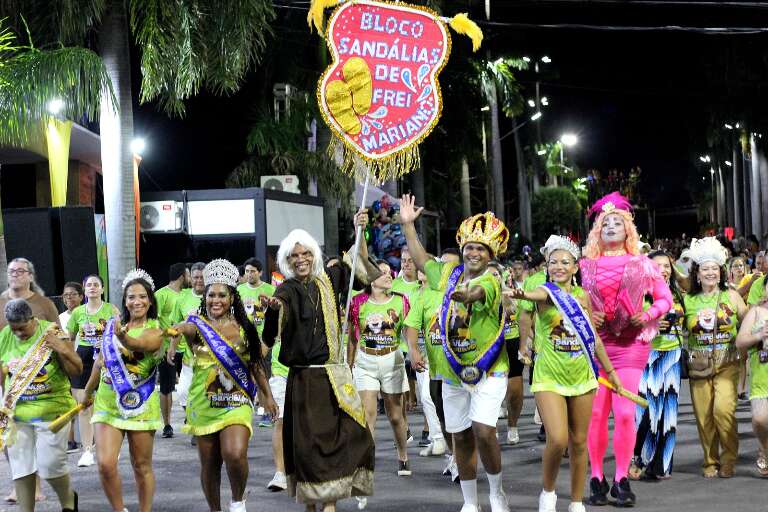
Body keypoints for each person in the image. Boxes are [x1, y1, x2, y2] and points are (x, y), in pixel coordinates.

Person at [399, 194, 511, 512]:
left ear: (490, 254)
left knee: (484, 431)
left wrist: (466, 294)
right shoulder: (449, 273)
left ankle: (497, 492)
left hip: (489, 371)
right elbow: (422, 261)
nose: (474, 252)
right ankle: (470, 502)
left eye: (480, 248)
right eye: (470, 247)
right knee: (460, 437)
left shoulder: (492, 278)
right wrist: (408, 225)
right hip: (452, 372)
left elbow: (477, 292)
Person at [262, 213, 377, 512]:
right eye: (294, 255)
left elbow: (361, 272)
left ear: (314, 254)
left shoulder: (331, 278)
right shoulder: (286, 289)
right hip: (304, 381)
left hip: (335, 377)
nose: (301, 259)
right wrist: (275, 309)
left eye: (306, 253)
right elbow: (276, 319)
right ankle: (316, 505)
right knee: (310, 448)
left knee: (353, 436)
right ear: (287, 260)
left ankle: (331, 502)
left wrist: (359, 231)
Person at [507, 236, 621, 512]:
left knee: (580, 442)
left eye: (564, 262)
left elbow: (593, 337)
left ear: (574, 268)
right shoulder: (545, 292)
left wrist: (610, 371)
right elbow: (535, 297)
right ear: (547, 266)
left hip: (582, 376)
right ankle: (548, 493)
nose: (558, 266)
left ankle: (577, 501)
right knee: (557, 438)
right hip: (548, 376)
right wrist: (521, 294)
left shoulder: (582, 296)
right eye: (553, 262)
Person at [580, 192, 672, 507]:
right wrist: (585, 312)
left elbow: (665, 300)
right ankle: (596, 477)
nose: (611, 227)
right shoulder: (585, 266)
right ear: (597, 230)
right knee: (595, 414)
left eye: (617, 222)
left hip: (630, 347)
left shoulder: (642, 263)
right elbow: (571, 302)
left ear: (628, 229)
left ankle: (620, 478)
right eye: (606, 222)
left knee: (623, 414)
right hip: (596, 346)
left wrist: (645, 315)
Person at [170, 259, 276, 512]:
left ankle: (238, 501)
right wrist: (173, 337)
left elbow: (255, 364)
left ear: (232, 298)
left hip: (236, 401)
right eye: (211, 295)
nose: (215, 300)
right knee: (210, 463)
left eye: (221, 295)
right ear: (203, 297)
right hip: (203, 402)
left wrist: (267, 395)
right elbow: (180, 328)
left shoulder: (245, 328)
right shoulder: (196, 325)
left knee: (235, 453)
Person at [80, 269, 164, 512]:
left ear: (150, 300)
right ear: (124, 301)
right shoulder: (113, 327)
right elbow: (100, 362)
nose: (136, 301)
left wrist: (124, 339)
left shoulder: (155, 329)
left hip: (141, 403)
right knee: (105, 464)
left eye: (141, 297)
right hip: (107, 401)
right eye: (130, 297)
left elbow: (141, 344)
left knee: (141, 465)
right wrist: (87, 392)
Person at [0, 299, 82, 512]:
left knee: (50, 466)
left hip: (53, 411)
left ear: (32, 319)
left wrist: (62, 349)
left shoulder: (52, 332)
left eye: (22, 328)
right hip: (17, 414)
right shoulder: (5, 336)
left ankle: (68, 499)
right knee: (21, 469)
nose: (18, 334)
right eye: (14, 329)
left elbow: (77, 370)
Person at [683, 237, 747, 478]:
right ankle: (710, 461)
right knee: (703, 417)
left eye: (714, 269)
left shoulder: (732, 297)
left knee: (723, 411)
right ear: (697, 274)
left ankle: (729, 458)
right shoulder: (688, 300)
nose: (710, 273)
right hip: (698, 366)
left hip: (727, 363)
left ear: (720, 273)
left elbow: (748, 320)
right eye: (705, 269)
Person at [349, 259, 412, 476]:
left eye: (390, 272)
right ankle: (366, 461)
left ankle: (403, 455)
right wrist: (349, 364)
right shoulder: (357, 302)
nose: (389, 276)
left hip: (392, 361)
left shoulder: (402, 301)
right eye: (384, 273)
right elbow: (352, 336)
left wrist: (414, 352)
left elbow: (409, 330)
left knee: (395, 416)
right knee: (368, 414)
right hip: (366, 361)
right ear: (371, 279)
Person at [629, 250, 686, 480]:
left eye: (667, 266)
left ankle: (662, 465)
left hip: (672, 356)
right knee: (646, 409)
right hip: (647, 357)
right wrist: (651, 324)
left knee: (668, 413)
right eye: (657, 265)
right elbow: (627, 327)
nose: (663, 270)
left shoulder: (677, 293)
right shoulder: (638, 294)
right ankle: (639, 459)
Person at [66, 275, 120, 468]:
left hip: (106, 358)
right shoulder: (77, 312)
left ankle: (108, 446)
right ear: (84, 289)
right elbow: (70, 338)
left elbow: (120, 335)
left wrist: (108, 343)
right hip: (83, 358)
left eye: (96, 285)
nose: (92, 288)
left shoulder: (111, 309)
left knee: (106, 403)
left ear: (102, 289)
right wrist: (70, 360)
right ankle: (87, 450)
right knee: (83, 405)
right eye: (89, 285)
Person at [403, 269, 449, 460]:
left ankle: (442, 439)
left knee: (434, 397)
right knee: (425, 397)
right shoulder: (414, 293)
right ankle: (437, 437)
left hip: (448, 357)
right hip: (425, 352)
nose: (422, 270)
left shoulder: (450, 291)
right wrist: (412, 349)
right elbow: (410, 324)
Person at [488, 262, 524, 445]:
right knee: (490, 389)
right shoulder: (479, 295)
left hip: (512, 341)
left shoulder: (512, 293)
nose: (493, 278)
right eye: (489, 275)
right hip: (490, 347)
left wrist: (526, 344)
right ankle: (491, 426)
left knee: (515, 389)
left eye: (496, 274)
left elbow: (524, 318)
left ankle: (512, 426)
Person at [155, 262, 190, 439]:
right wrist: (162, 344)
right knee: (166, 388)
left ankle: (190, 417)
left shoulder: (187, 295)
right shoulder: (160, 295)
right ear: (182, 276)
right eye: (189, 274)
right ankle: (167, 424)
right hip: (167, 349)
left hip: (187, 348)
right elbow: (154, 323)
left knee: (189, 386)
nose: (191, 278)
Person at [171, 262, 206, 418]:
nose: (199, 280)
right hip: (189, 357)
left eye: (202, 277)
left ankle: (199, 425)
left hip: (211, 357)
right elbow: (175, 326)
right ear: (190, 278)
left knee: (206, 394)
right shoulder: (182, 298)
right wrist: (172, 347)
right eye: (196, 277)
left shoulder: (215, 295)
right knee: (183, 393)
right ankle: (192, 419)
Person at [392, 247, 420, 419]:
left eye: (410, 260)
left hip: (421, 343)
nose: (406, 264)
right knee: (400, 389)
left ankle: (429, 430)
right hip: (400, 343)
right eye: (403, 260)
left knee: (426, 392)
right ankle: (404, 429)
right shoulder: (395, 285)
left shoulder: (424, 283)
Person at [0, 258, 59, 330]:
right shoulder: (1, 303)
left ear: (31, 277)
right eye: (11, 271)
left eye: (20, 271)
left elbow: (59, 336)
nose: (14, 274)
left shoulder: (46, 304)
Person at [60, 282, 84, 454]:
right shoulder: (59, 318)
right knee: (67, 402)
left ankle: (89, 439)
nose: (69, 298)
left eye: (73, 294)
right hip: (64, 364)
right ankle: (70, 440)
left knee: (83, 402)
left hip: (83, 363)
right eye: (66, 295)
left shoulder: (85, 314)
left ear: (81, 297)